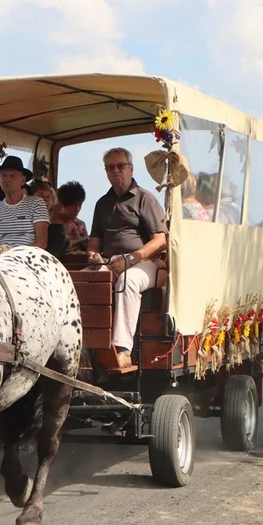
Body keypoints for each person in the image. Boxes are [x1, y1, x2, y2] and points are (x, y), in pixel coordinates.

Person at [86, 147, 168, 369]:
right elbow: (94, 242)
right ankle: (83, 345)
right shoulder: (102, 203)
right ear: (106, 172)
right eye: (110, 167)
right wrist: (93, 256)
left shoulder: (144, 199)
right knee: (79, 281)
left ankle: (122, 349)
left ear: (130, 168)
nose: (116, 171)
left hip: (145, 264)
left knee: (127, 281)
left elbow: (160, 240)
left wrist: (131, 259)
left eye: (120, 166)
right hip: (111, 262)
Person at [0, 155, 49, 249]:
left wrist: (19, 257)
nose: (7, 179)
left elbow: (41, 241)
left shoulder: (37, 203)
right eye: (3, 175)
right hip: (0, 258)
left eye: (13, 176)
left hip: (29, 258)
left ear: (23, 180)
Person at [52, 180, 88, 251]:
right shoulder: (53, 224)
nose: (77, 209)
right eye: (73, 206)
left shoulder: (80, 224)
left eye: (80, 205)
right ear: (62, 205)